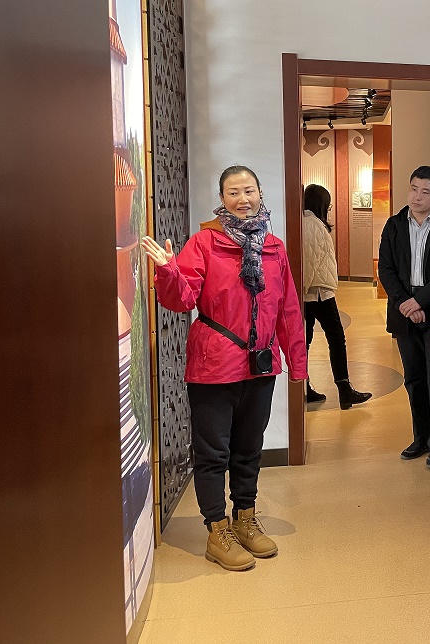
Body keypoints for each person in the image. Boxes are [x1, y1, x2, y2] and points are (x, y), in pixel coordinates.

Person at [140, 165, 307, 571]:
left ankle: (244, 519)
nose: (242, 199)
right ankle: (217, 530)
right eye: (233, 192)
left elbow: (287, 308)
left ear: (260, 193)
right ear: (222, 199)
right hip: (214, 365)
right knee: (213, 452)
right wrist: (168, 270)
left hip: (261, 365)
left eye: (249, 190)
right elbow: (180, 300)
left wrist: (297, 363)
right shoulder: (204, 243)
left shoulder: (274, 247)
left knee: (249, 449)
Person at [377, 166, 430, 470]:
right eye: (414, 189)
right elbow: (386, 269)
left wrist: (419, 301)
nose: (417, 196)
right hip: (405, 311)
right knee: (414, 379)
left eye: (425, 191)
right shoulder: (394, 225)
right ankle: (421, 438)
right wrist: (406, 303)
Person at [302, 184, 372, 409]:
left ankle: (305, 387)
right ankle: (344, 389)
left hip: (312, 293)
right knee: (336, 338)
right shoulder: (312, 224)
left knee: (305, 341)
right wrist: (302, 293)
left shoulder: (308, 222)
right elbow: (309, 264)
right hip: (317, 293)